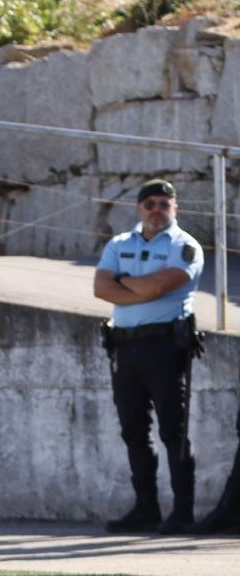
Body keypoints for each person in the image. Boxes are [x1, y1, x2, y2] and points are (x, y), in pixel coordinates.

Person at [93, 181, 206, 535]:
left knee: (175, 430)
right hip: (124, 347)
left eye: (164, 204)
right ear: (139, 208)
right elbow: (100, 288)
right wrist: (141, 287)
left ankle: (182, 511)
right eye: (150, 204)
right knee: (133, 430)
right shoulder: (119, 244)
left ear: (175, 208)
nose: (157, 210)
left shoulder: (184, 246)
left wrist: (124, 282)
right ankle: (146, 508)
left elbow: (160, 286)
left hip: (165, 346)